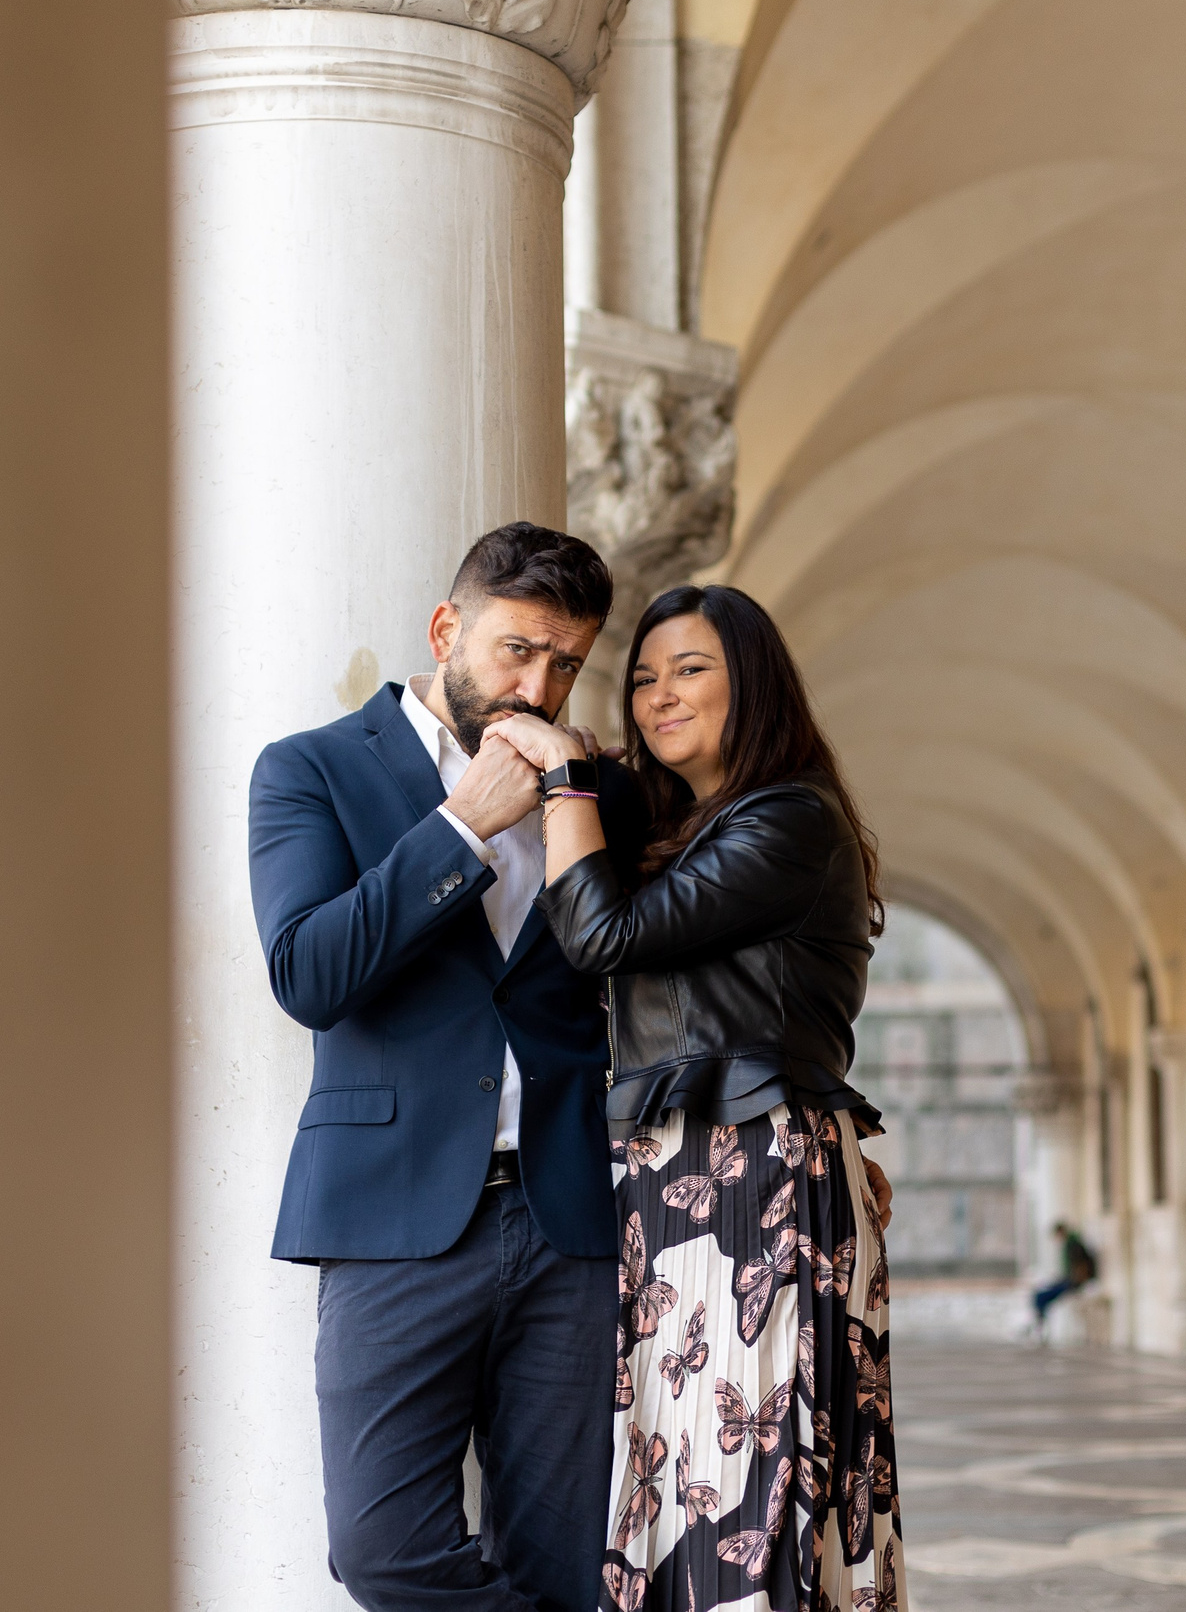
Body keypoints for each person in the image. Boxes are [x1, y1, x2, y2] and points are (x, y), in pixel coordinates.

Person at [247, 523, 652, 1612]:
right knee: (383, 1552)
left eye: (567, 662)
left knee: (564, 1565)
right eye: (517, 650)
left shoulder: (597, 793)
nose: (540, 684)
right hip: (393, 1223)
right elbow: (308, 973)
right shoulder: (312, 769)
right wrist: (461, 829)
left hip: (569, 1220)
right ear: (445, 630)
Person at [483, 583, 903, 1612]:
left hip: (750, 1171)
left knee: (751, 1480)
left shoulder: (789, 818)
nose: (659, 694)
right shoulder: (704, 827)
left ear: (751, 682)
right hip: (686, 1178)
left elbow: (603, 939)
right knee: (683, 1480)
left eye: (691, 669)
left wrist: (568, 782)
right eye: (642, 677)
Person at [1029, 1222, 1099, 1340]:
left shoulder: (1073, 1245)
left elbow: (1082, 1266)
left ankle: (1040, 1328)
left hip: (1074, 1282)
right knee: (1040, 1294)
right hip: (1070, 1280)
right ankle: (1040, 1326)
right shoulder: (1071, 1244)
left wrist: (1077, 1282)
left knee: (1040, 1296)